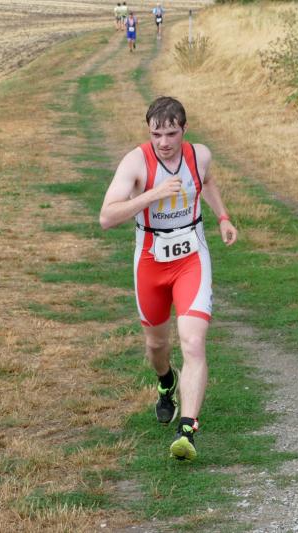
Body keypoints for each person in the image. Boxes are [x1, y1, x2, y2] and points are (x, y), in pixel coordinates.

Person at [99, 97, 238, 461]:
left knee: (193, 342)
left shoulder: (200, 155)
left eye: (171, 134)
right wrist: (153, 194)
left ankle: (187, 430)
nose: (164, 142)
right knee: (156, 346)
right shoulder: (135, 162)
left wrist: (223, 217)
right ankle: (166, 382)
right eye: (156, 134)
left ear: (184, 130)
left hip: (192, 258)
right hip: (150, 261)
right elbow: (106, 217)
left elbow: (206, 180)